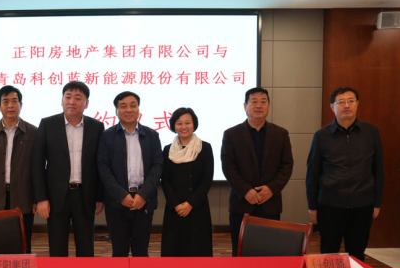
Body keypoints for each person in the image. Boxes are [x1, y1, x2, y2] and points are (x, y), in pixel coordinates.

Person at [306, 86, 384, 261]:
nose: (346, 105)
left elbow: (378, 169)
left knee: (357, 255)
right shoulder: (321, 136)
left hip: (362, 204)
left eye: (350, 101)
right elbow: (312, 172)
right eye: (341, 102)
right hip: (329, 204)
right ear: (332, 107)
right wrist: (312, 205)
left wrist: (377, 202)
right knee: (328, 254)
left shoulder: (371, 132)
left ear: (357, 104)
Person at [32, 81, 105, 256]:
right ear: (62, 100)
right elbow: (37, 163)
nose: (72, 101)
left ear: (86, 103)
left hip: (85, 195)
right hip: (56, 197)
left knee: (86, 249)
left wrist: (99, 196)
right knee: (57, 248)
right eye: (68, 97)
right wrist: (41, 198)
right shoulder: (48, 124)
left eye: (78, 98)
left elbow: (101, 164)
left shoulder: (96, 127)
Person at [221, 87, 294, 256]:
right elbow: (228, 166)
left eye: (263, 102)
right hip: (242, 204)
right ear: (245, 106)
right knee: (240, 252)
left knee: (269, 252)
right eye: (254, 102)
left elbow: (287, 165)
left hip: (270, 203)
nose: (258, 106)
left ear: (269, 105)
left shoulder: (281, 134)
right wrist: (246, 191)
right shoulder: (231, 134)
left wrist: (272, 189)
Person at [98, 91, 163, 257]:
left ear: (138, 109)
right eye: (123, 106)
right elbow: (103, 168)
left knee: (141, 250)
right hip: (117, 202)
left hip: (144, 201)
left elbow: (157, 166)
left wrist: (143, 194)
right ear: (116, 111)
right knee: (119, 251)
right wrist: (121, 195)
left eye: (133, 105)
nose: (128, 110)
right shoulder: (107, 136)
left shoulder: (152, 135)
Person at [0, 85, 38, 252]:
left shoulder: (33, 132)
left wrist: (36, 199)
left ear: (21, 104)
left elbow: (38, 169)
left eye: (14, 101)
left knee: (23, 244)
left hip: (24, 197)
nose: (10, 105)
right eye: (5, 101)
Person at [160, 108, 214, 257]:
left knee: (198, 251)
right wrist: (176, 204)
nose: (183, 127)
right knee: (174, 252)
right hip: (174, 208)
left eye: (187, 123)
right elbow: (165, 180)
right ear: (173, 125)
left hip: (197, 207)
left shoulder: (205, 148)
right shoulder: (168, 150)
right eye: (179, 123)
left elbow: (207, 180)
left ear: (194, 124)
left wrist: (190, 204)